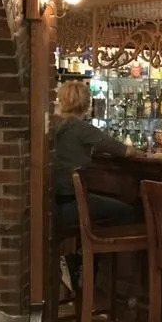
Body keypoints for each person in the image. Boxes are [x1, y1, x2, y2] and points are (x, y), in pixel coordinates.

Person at [54, 80, 138, 229]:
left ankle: (89, 244)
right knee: (128, 211)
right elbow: (125, 151)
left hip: (53, 204)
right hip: (72, 204)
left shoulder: (53, 124)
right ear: (87, 104)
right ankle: (102, 242)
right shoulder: (82, 128)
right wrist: (135, 149)